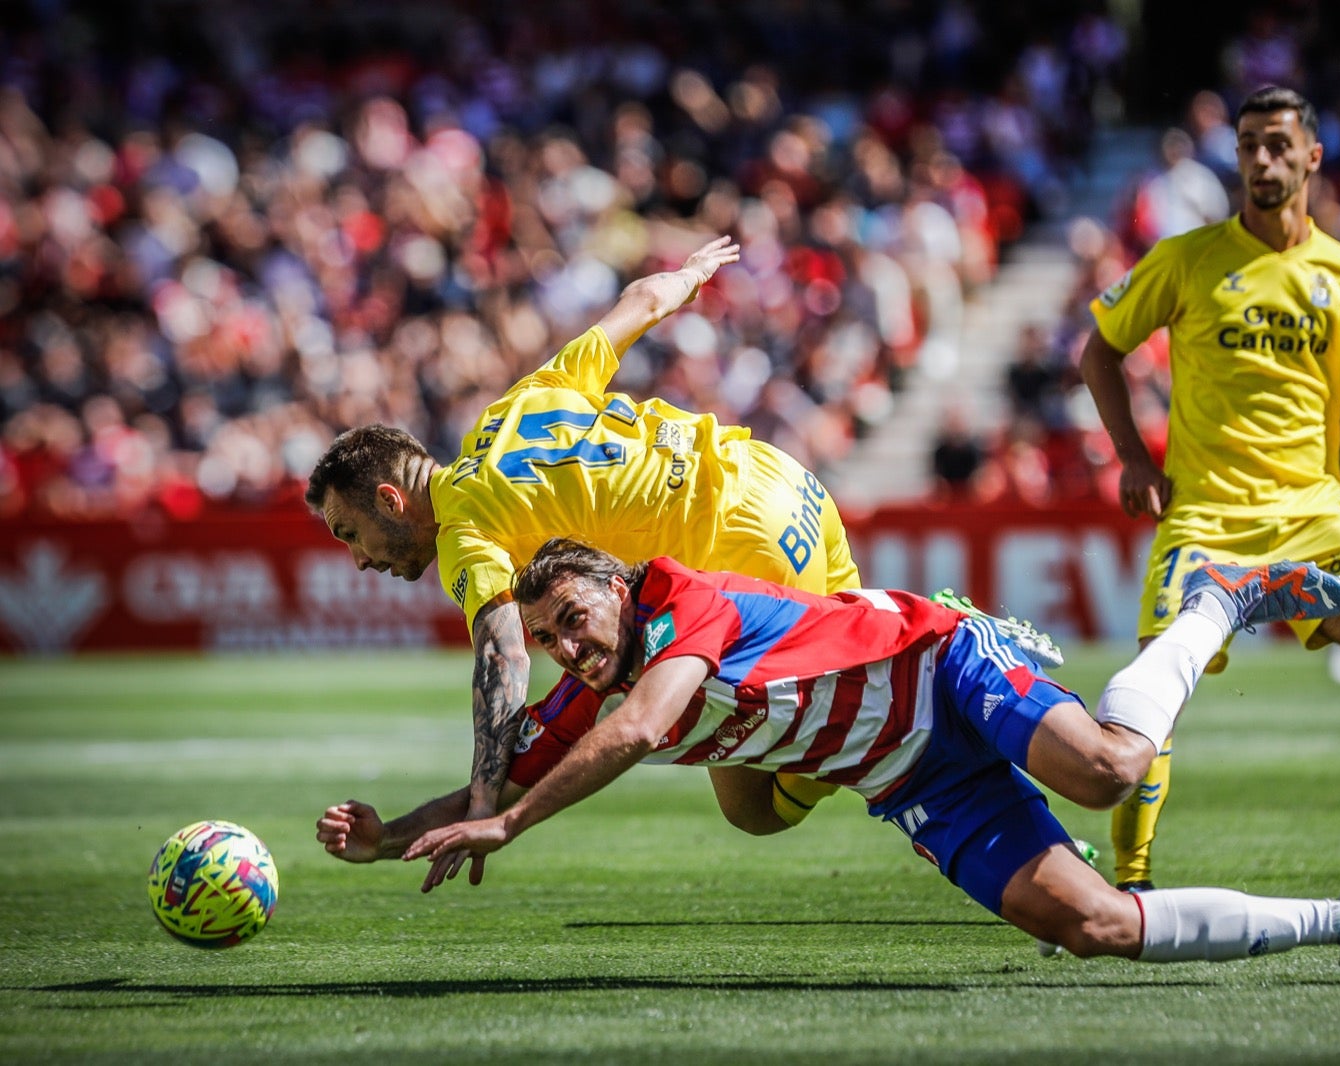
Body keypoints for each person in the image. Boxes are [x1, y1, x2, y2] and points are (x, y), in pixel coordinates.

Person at [304, 235, 1058, 883]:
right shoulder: (518, 404)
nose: (359, 559)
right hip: (782, 482)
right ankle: (968, 670)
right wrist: (693, 275)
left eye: (348, 532)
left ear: (392, 498)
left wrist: (481, 795)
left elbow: (504, 651)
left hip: (739, 556)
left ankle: (975, 712)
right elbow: (639, 302)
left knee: (760, 803)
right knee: (871, 672)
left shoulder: (464, 531)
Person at [377, 537, 1340, 985]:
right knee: (1093, 923)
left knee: (1107, 770)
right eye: (551, 641)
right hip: (909, 777)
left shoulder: (678, 601)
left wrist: (509, 826)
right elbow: (499, 781)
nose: (567, 648)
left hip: (935, 664)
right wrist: (391, 835)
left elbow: (644, 729)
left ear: (613, 587)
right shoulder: (589, 693)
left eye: (572, 619)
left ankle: (1218, 600)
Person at [1078, 86, 1340, 921]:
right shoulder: (1186, 259)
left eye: (1279, 145)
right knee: (1153, 694)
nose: (1261, 159)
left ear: (1312, 157)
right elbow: (1099, 351)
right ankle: (1132, 882)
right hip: (1205, 516)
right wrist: (1136, 460)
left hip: (1313, 518)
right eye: (1249, 144)